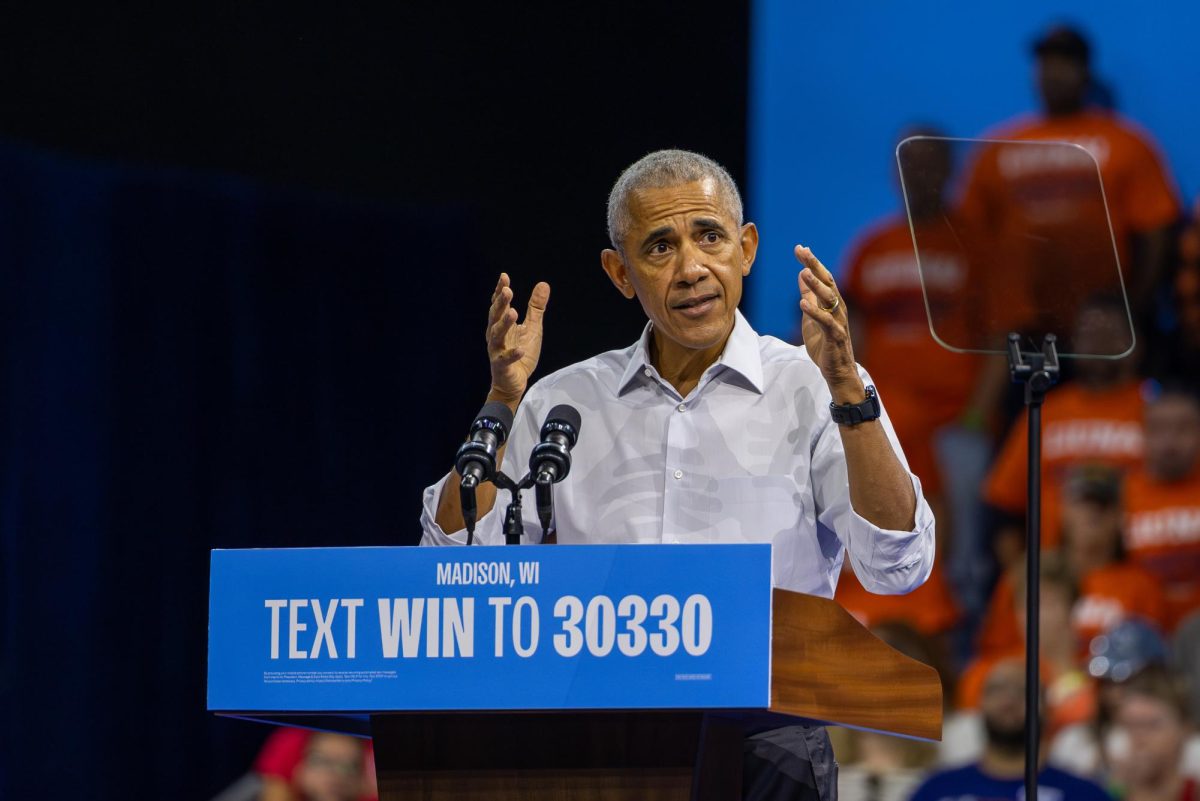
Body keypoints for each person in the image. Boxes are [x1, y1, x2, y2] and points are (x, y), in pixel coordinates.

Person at [419, 149, 937, 799]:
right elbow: (451, 560)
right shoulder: (562, 402)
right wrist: (500, 401)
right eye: (660, 246)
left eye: (710, 236)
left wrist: (848, 392)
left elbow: (899, 563)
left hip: (769, 745)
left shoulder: (813, 386)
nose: (692, 268)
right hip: (598, 743)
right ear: (620, 273)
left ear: (746, 248)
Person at [841, 128, 1006, 622]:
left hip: (954, 420)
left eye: (930, 161)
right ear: (896, 172)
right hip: (883, 416)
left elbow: (998, 337)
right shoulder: (872, 246)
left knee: (959, 548)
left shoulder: (976, 246)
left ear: (950, 168)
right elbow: (854, 332)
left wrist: (977, 414)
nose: (919, 173)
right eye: (909, 162)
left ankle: (953, 622)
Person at [959, 25, 1179, 317]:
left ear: (1086, 71)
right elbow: (969, 234)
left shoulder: (1126, 143)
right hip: (1017, 322)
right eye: (1046, 62)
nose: (1054, 72)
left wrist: (1134, 310)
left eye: (1066, 62)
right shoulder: (997, 147)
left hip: (1101, 323)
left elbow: (1157, 231)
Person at [982, 295, 1145, 565]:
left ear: (1136, 343)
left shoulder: (1158, 411)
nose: (1098, 345)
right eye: (1089, 334)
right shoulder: (1044, 407)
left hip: (1136, 574)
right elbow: (1003, 508)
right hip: (1055, 575)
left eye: (1110, 334)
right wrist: (1026, 579)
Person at [910, 658, 1111, 801]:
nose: (1009, 700)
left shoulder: (1084, 794)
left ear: (1047, 711)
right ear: (980, 705)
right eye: (997, 689)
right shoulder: (936, 790)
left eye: (1024, 691)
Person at [1123, 383, 1200, 629]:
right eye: (1159, 429)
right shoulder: (1120, 496)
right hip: (1139, 630)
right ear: (1143, 434)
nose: (1170, 441)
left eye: (1183, 428)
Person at [1109, 668, 1196, 801]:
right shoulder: (1107, 792)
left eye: (1152, 725)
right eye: (1131, 725)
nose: (1139, 738)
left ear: (1184, 729)